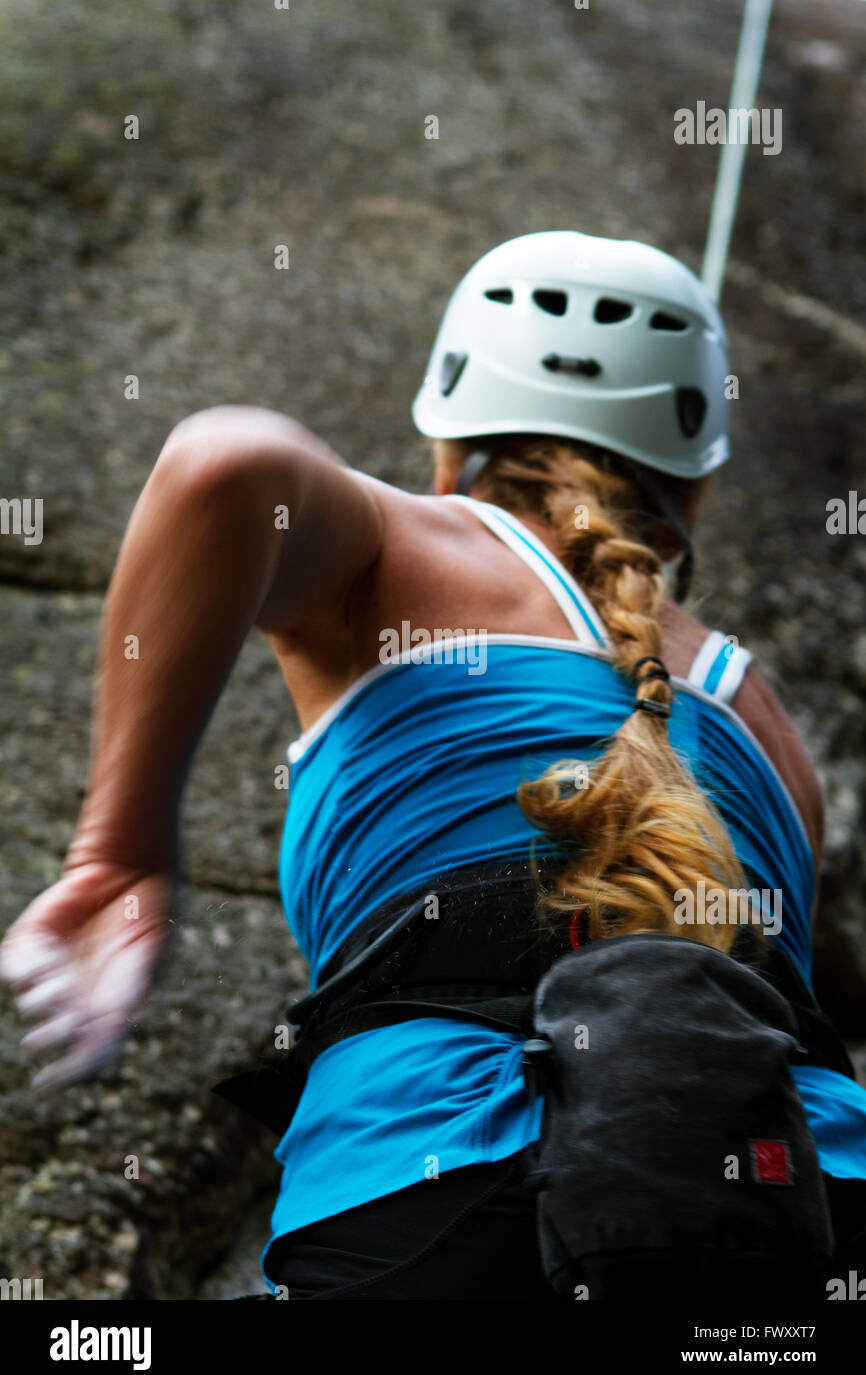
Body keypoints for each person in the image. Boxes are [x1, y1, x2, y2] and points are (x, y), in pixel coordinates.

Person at [2, 231, 864, 1302]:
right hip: (801, 1193)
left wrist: (120, 848)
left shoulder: (406, 548)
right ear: (687, 497)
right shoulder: (769, 724)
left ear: (448, 443)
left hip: (434, 1163)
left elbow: (221, 466)